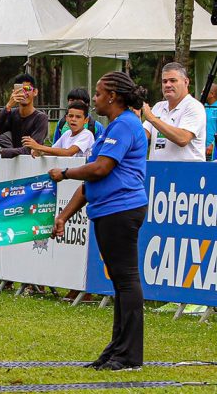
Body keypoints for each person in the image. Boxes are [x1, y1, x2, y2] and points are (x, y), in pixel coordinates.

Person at [49, 72, 148, 371]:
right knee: (121, 282)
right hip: (108, 210)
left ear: (113, 96)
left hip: (122, 209)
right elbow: (90, 182)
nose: (94, 98)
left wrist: (64, 172)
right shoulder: (112, 128)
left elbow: (101, 168)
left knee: (126, 281)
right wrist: (64, 216)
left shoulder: (127, 124)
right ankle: (116, 350)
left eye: (98, 93)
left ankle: (129, 355)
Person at [141, 62, 206, 162]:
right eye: (164, 81)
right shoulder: (158, 107)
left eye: (173, 80)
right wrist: (133, 118)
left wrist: (152, 119)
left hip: (186, 174)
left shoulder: (194, 106)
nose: (168, 85)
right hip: (158, 173)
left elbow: (183, 139)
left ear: (186, 82)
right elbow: (141, 138)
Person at [0, 74, 48, 160]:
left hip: (33, 164)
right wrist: (8, 106)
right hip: (15, 164)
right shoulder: (12, 114)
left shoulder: (41, 118)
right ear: (14, 92)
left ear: (35, 92)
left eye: (27, 89)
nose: (24, 93)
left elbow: (32, 148)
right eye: (19, 90)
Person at [22, 101, 95, 157]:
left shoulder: (87, 134)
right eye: (71, 116)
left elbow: (68, 152)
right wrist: (40, 152)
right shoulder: (67, 134)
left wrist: (39, 147)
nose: (73, 119)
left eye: (78, 117)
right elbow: (54, 150)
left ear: (86, 120)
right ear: (66, 118)